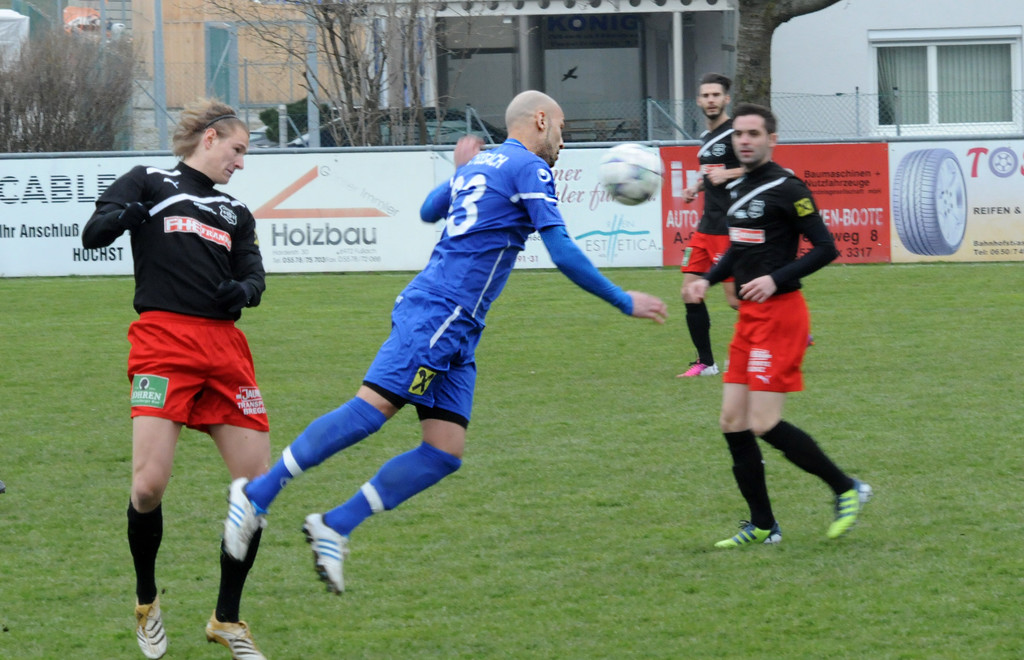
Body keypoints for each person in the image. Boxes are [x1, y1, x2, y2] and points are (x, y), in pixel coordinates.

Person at [221, 90, 668, 594]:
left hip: (459, 325)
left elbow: (429, 209)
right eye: (561, 128)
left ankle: (336, 525)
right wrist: (621, 299)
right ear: (541, 120)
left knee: (444, 450)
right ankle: (256, 496)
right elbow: (560, 249)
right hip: (440, 311)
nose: (562, 141)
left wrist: (460, 172)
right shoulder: (529, 166)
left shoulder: (483, 165)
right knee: (372, 409)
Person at [82, 99, 270, 660]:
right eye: (238, 149)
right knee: (147, 487)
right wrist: (127, 216)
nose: (241, 162)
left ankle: (227, 620)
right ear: (210, 139)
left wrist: (245, 291)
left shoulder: (236, 212)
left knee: (256, 490)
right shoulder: (148, 179)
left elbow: (254, 275)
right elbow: (94, 233)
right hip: (163, 343)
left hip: (225, 350)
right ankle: (147, 601)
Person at [684, 103, 871, 548]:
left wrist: (775, 278)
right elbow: (738, 249)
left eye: (753, 134)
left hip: (782, 315)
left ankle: (846, 488)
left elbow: (825, 248)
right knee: (732, 421)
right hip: (749, 319)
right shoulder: (738, 187)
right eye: (739, 134)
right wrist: (707, 279)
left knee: (763, 422)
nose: (744, 141)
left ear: (772, 139)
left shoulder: (789, 188)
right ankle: (763, 525)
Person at [677, 73, 744, 378]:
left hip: (729, 228)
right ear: (699, 101)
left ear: (726, 99)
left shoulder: (737, 132)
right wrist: (696, 187)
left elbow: (760, 165)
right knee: (690, 292)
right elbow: (712, 174)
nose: (711, 100)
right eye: (706, 95)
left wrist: (727, 175)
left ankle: (789, 330)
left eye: (716, 95)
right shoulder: (706, 138)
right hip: (706, 227)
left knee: (735, 300)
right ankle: (706, 362)